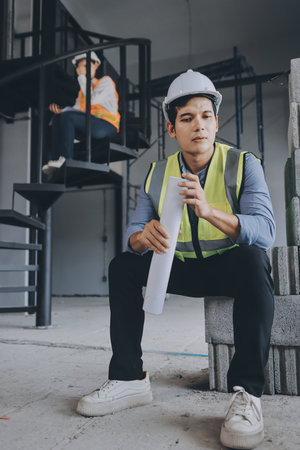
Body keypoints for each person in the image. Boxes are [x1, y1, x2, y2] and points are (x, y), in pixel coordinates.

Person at [76, 69, 275, 450]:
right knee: (122, 266)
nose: (197, 125)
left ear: (216, 123)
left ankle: (247, 395)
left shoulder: (243, 164)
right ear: (172, 129)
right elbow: (131, 235)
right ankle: (129, 379)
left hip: (228, 268)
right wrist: (140, 237)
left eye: (205, 116)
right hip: (176, 267)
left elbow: (265, 231)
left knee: (254, 259)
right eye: (186, 118)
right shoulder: (156, 174)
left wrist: (210, 211)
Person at [42, 51, 120, 174]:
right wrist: (61, 111)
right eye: (81, 68)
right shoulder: (82, 92)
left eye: (86, 66)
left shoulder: (106, 82)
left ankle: (67, 159)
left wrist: (82, 77)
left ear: (95, 65)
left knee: (68, 117)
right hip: (90, 126)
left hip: (107, 125)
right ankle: (57, 159)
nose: (84, 71)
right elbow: (77, 110)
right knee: (59, 117)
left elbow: (92, 99)